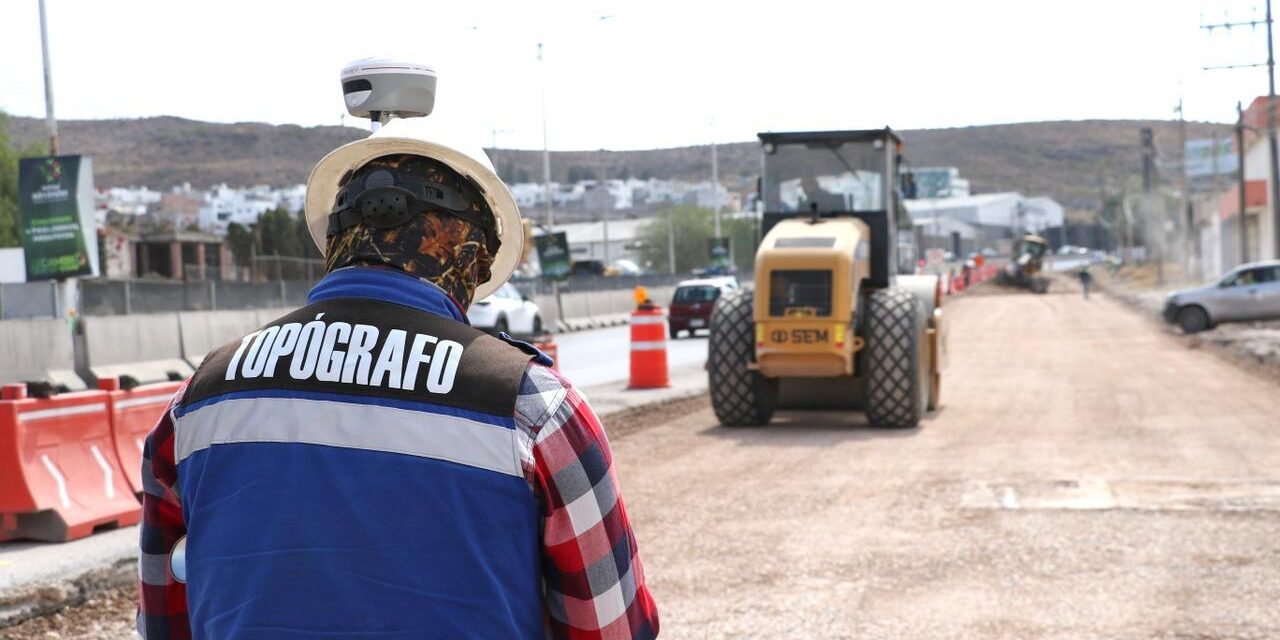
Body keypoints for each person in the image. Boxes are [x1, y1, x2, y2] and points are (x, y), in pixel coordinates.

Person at [137, 116, 659, 639]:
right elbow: (612, 628)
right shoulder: (533, 407)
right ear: (472, 259)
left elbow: (162, 622)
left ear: (335, 243)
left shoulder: (197, 402)